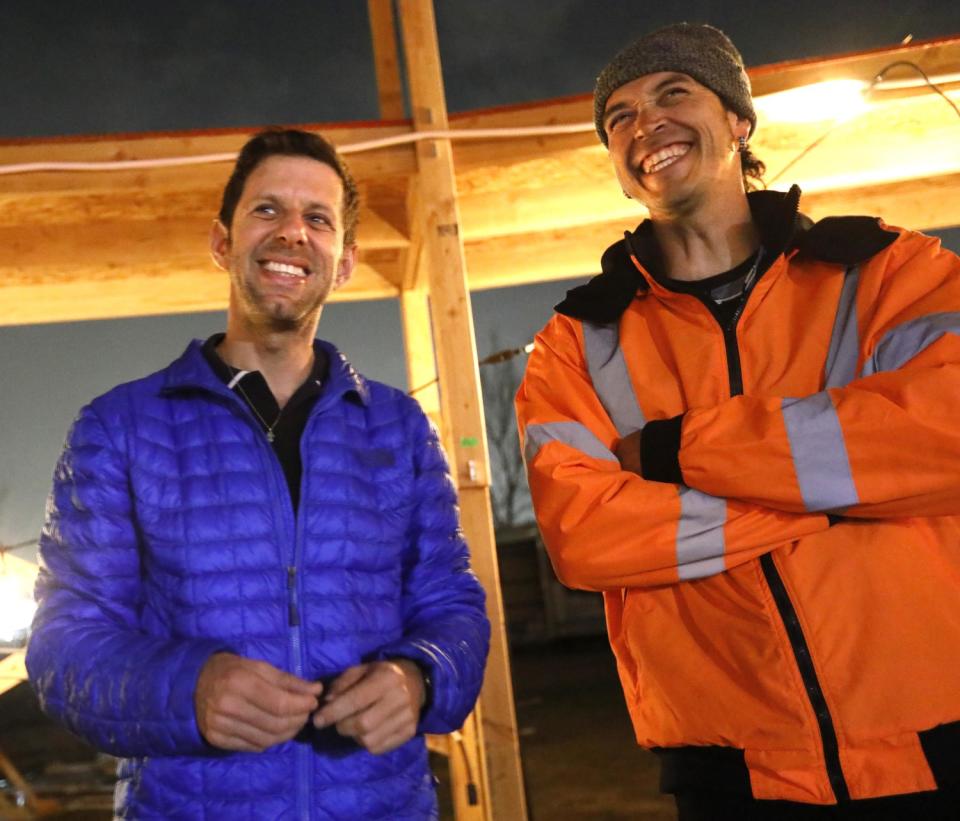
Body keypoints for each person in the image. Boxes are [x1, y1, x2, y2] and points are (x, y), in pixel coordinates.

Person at [516, 22, 960, 820]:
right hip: (730, 773)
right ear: (620, 171)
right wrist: (838, 495)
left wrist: (671, 449)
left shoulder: (887, 270)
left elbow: (950, 433)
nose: (643, 123)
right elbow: (584, 536)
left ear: (738, 121)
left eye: (671, 93)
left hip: (939, 739)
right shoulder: (575, 344)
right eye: (618, 117)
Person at [27, 128, 490, 820]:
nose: (292, 234)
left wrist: (420, 674)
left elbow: (453, 606)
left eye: (318, 218)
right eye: (267, 211)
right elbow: (65, 646)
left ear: (344, 263)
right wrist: (187, 688)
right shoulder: (118, 428)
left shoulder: (397, 427)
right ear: (222, 242)